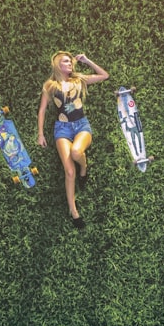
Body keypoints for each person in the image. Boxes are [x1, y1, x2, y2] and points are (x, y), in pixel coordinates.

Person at [37, 51, 109, 228]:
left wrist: (87, 60)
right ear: (57, 65)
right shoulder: (50, 85)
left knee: (77, 152)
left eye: (71, 61)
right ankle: (74, 211)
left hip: (81, 126)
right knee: (69, 172)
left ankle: (84, 168)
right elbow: (42, 110)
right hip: (62, 130)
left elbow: (104, 75)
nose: (70, 64)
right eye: (66, 61)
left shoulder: (79, 80)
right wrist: (40, 134)